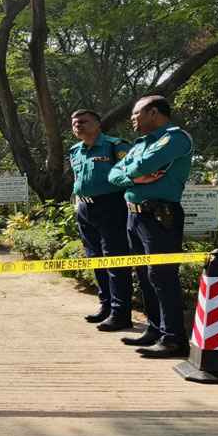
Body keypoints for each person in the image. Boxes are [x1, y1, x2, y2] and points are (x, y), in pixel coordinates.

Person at [108, 95, 194, 359]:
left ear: (154, 112)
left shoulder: (175, 138)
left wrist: (131, 174)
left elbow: (145, 165)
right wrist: (135, 177)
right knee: (145, 277)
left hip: (159, 216)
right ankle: (155, 329)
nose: (133, 119)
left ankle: (173, 339)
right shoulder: (141, 143)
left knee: (162, 277)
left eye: (136, 114)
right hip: (134, 217)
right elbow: (113, 175)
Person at [68, 109, 133, 332]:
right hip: (85, 208)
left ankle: (121, 313)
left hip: (112, 206)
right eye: (75, 123)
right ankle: (105, 306)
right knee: (95, 259)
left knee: (114, 260)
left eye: (83, 121)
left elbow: (130, 174)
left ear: (97, 124)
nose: (78, 125)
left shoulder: (115, 146)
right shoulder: (75, 151)